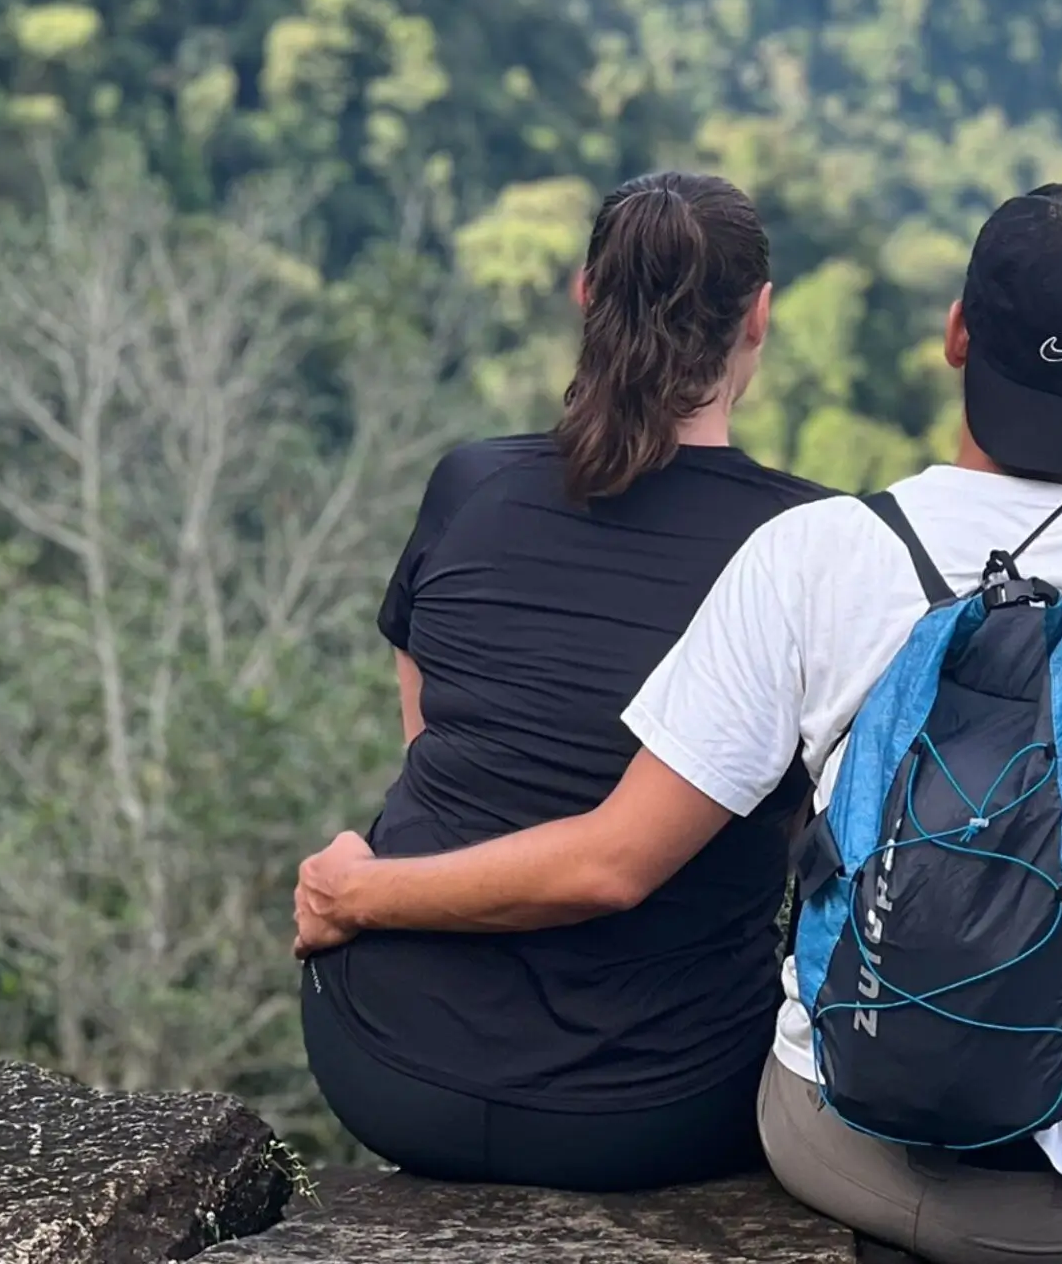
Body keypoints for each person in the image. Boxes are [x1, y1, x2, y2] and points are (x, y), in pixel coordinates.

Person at [295, 184, 1062, 1263]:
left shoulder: (816, 553)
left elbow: (545, 811)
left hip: (824, 1140)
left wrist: (357, 890)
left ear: (957, 336)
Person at [293, 170, 830, 1191]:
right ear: (758, 315)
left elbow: (438, 749)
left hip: (386, 1060)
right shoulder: (808, 547)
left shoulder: (472, 486)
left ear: (586, 293)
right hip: (664, 1098)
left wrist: (356, 892)